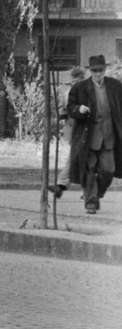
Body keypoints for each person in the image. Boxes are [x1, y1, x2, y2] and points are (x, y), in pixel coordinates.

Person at [64, 53, 122, 214]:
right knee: (88, 169)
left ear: (105, 70)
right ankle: (90, 202)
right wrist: (79, 110)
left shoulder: (115, 86)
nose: (98, 74)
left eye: (101, 70)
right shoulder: (80, 87)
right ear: (90, 71)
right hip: (87, 136)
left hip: (109, 136)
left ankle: (97, 193)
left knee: (108, 170)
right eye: (95, 71)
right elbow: (70, 107)